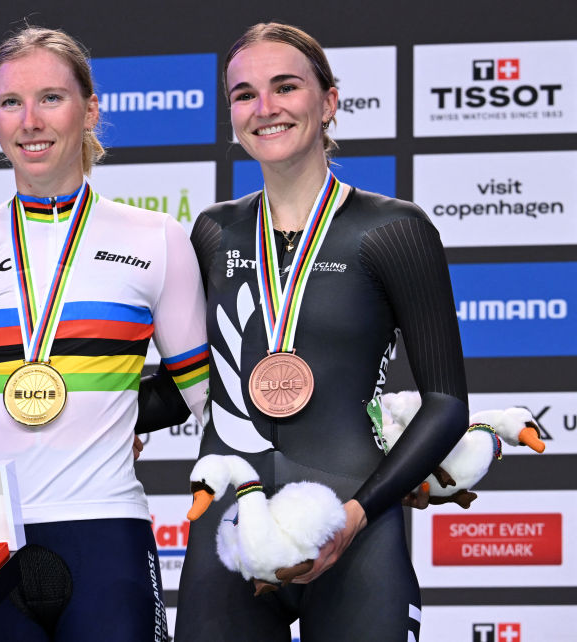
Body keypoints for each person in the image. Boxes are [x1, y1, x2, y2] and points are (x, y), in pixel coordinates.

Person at [0, 26, 209, 641]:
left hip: (106, 530)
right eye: (10, 103)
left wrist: (111, 414)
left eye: (51, 97)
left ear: (90, 109)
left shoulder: (155, 238)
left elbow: (194, 390)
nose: (31, 120)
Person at [142, 22, 469, 641]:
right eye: (244, 94)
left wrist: (354, 515)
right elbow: (187, 386)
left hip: (356, 524)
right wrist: (75, 411)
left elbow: (447, 404)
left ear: (328, 102)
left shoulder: (393, 230)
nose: (264, 108)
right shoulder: (213, 233)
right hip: (229, 533)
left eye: (285, 87)